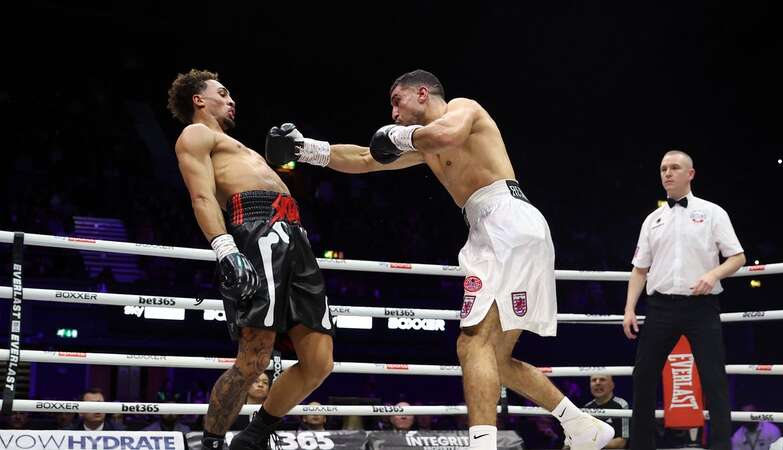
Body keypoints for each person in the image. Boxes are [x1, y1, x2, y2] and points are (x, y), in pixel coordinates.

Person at [265, 69, 613, 450]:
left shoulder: (464, 109)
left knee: (472, 345)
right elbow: (366, 159)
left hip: (505, 220)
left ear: (421, 93)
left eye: (396, 102)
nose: (393, 114)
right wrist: (306, 150)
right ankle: (581, 425)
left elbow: (444, 134)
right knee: (493, 359)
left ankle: (483, 446)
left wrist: (398, 135)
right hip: (499, 228)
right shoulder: (424, 145)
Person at [168, 69, 334, 450]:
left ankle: (254, 435)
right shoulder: (196, 135)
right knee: (254, 358)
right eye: (222, 93)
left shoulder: (236, 143)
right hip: (256, 231)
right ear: (198, 99)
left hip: (294, 235)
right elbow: (202, 197)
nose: (231, 100)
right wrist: (224, 247)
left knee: (319, 360)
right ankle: (210, 442)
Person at [622, 150, 746, 450]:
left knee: (713, 379)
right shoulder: (653, 220)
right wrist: (629, 309)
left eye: (675, 167)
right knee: (644, 376)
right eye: (664, 168)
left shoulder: (713, 212)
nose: (668, 173)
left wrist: (713, 274)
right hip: (661, 307)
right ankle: (641, 446)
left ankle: (719, 447)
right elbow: (640, 270)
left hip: (701, 306)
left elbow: (738, 257)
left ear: (690, 174)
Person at [564, 376, 628, 449]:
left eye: (602, 379)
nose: (597, 383)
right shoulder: (587, 407)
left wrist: (591, 443)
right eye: (594, 380)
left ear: (612, 385)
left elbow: (622, 442)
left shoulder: (621, 405)